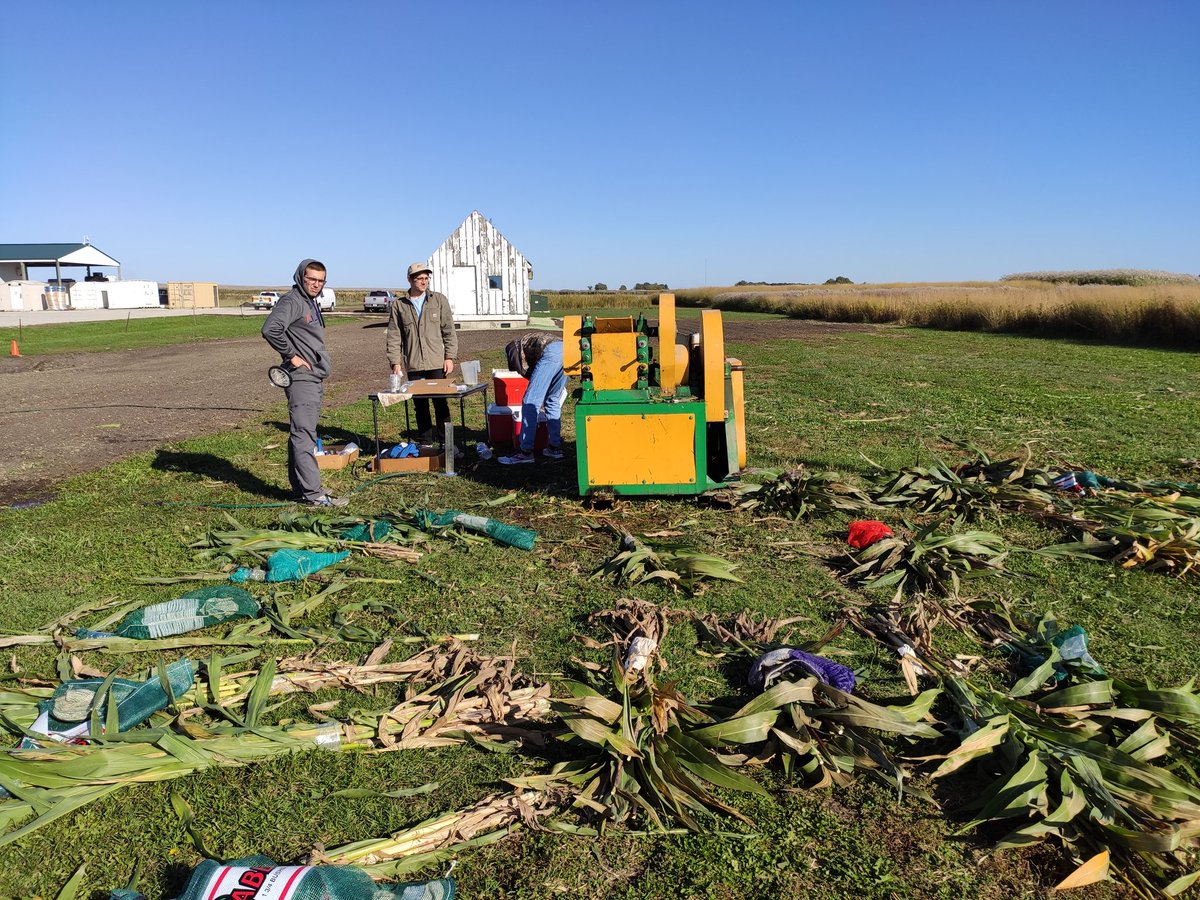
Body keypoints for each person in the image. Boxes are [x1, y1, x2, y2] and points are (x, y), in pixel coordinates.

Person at [261, 259, 348, 507]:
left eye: (321, 281)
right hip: (301, 378)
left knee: (301, 433)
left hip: (312, 375)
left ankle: (301, 489)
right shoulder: (293, 301)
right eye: (311, 279)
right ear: (301, 277)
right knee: (304, 434)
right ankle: (313, 494)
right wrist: (292, 356)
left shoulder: (309, 302)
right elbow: (271, 329)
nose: (316, 284)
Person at [386, 262, 458, 443]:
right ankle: (426, 441)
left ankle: (445, 442)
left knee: (440, 403)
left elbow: (449, 330)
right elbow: (394, 336)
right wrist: (396, 362)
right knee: (420, 404)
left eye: (426, 278)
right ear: (410, 280)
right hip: (414, 363)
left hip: (436, 362)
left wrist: (449, 357)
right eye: (419, 278)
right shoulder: (399, 305)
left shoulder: (439, 300)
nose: (424, 282)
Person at [498, 332, 566, 465]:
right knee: (552, 399)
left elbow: (522, 369)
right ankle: (554, 448)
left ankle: (525, 452)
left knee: (530, 400)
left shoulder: (513, 349)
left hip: (551, 352)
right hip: (567, 351)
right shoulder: (527, 343)